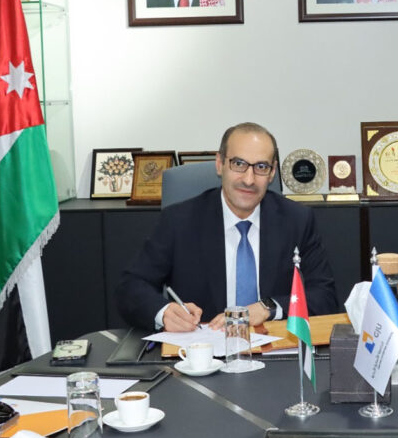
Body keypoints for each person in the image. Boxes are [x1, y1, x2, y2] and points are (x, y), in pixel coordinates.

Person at [116, 122, 339, 332]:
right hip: (202, 350)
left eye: (261, 167)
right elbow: (131, 286)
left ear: (272, 173)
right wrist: (164, 312)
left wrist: (268, 308)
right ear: (220, 164)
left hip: (273, 347)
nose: (249, 180)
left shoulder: (296, 219)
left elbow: (324, 296)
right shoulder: (179, 220)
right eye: (239, 164)